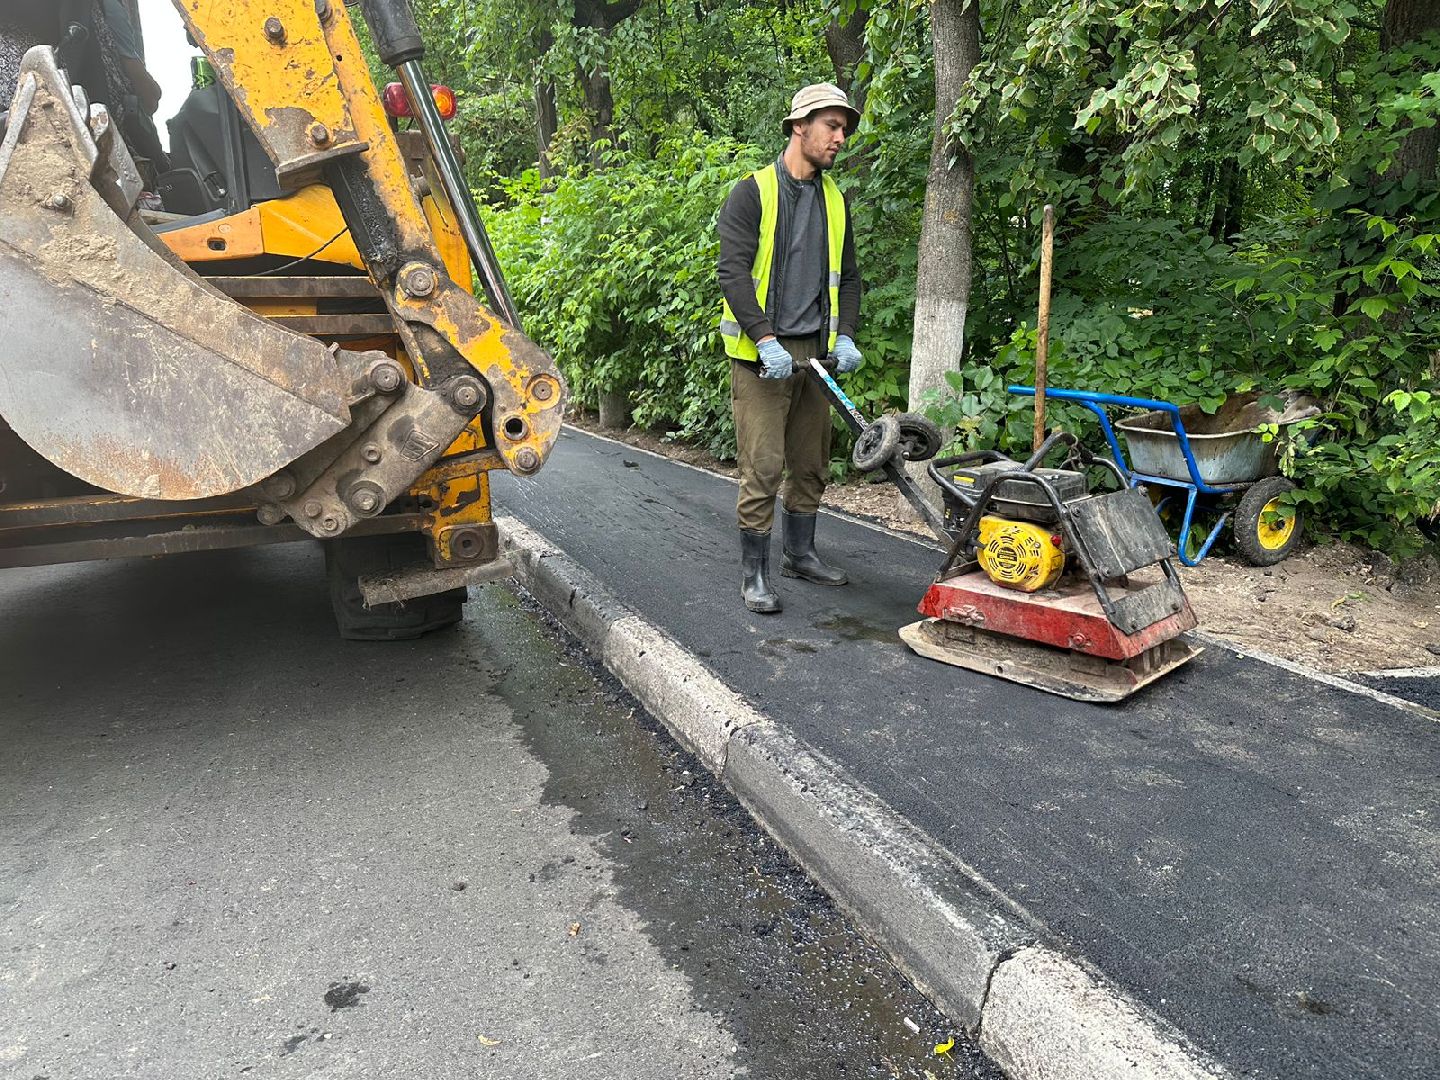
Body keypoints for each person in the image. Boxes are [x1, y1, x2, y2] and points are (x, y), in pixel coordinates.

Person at [717, 83, 863, 614]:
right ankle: (753, 575)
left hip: (817, 356)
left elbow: (848, 278)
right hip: (763, 357)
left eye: (844, 128)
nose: (840, 137)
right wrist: (764, 338)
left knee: (811, 461)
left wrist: (846, 334)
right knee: (764, 463)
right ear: (799, 126)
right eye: (832, 125)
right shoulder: (751, 193)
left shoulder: (835, 199)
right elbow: (732, 273)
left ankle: (800, 554)